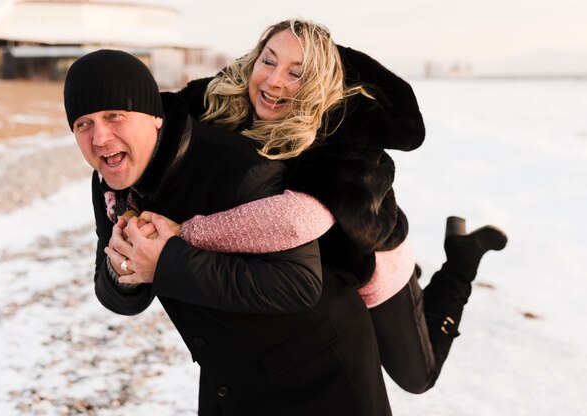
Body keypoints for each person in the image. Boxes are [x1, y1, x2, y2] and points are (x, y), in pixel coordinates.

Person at [129, 18, 508, 398]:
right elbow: (155, 123)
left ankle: (462, 257)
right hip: (321, 288)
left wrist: (182, 235)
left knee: (417, 377)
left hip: (372, 267)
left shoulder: (341, 133)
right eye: (269, 61)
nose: (275, 80)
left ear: (315, 84)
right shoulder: (227, 99)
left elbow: (295, 222)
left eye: (297, 73)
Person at [65, 49, 394, 415]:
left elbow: (298, 283)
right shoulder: (110, 186)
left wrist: (164, 264)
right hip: (229, 378)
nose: (100, 138)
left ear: (155, 117)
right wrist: (124, 272)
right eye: (83, 124)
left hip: (320, 374)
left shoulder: (240, 167)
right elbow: (116, 294)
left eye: (115, 116)